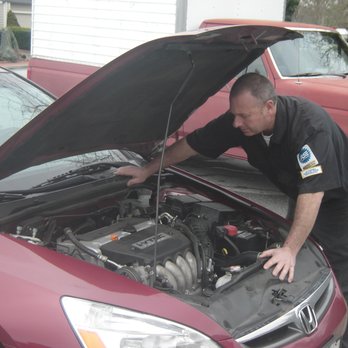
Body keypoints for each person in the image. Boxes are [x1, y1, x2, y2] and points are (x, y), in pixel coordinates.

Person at [117, 73, 348, 344]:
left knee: (327, 265)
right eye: (234, 115)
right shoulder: (240, 122)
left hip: (339, 202)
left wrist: (291, 248)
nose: (237, 123)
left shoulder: (310, 126)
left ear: (269, 107)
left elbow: (313, 191)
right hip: (301, 195)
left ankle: (336, 335)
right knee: (288, 260)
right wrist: (147, 170)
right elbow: (192, 144)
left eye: (244, 116)